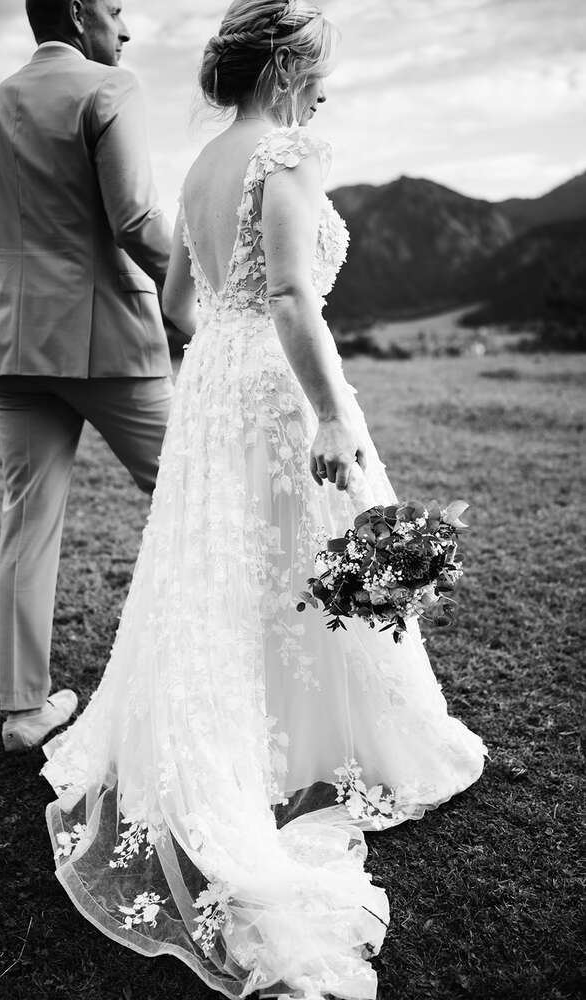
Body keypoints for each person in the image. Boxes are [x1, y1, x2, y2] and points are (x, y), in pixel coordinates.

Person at [41, 2, 486, 997]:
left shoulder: (200, 166)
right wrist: (331, 415)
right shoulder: (283, 152)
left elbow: (176, 306)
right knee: (314, 557)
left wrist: (220, 354)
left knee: (232, 568)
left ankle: (274, 736)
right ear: (284, 65)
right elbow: (290, 296)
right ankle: (322, 742)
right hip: (275, 388)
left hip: (214, 382)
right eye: (320, 63)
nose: (330, 80)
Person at [0, 0, 174, 751]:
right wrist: (206, 290)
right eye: (117, 10)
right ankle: (229, 658)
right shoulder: (109, 89)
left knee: (27, 520)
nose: (126, 28)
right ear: (81, 11)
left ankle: (24, 712)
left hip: (12, 341)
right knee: (197, 486)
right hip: (104, 339)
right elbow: (136, 220)